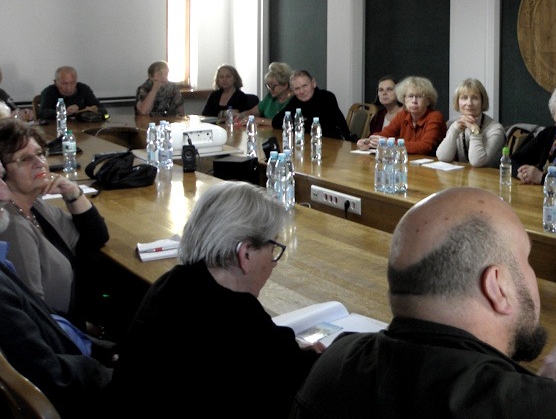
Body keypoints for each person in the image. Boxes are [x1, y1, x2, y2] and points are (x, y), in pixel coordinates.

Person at [291, 187, 556, 419]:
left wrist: (536, 389)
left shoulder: (331, 367)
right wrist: (548, 397)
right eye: (525, 259)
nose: (533, 275)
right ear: (497, 288)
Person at [112, 181, 320, 418]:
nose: (274, 263)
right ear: (245, 253)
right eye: (273, 249)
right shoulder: (239, 319)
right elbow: (302, 386)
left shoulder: (172, 282)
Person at [0, 164, 112, 418]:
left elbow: (95, 235)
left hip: (81, 356)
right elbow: (53, 377)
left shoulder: (36, 212)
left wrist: (105, 350)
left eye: (2, 178)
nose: (4, 193)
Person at [0, 118, 108, 318]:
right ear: (3, 173)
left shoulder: (35, 207)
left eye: (40, 153)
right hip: (57, 330)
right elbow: (34, 312)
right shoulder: (13, 226)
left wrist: (72, 192)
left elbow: (95, 237)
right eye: (25, 159)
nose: (40, 163)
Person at [357, 76, 446, 155]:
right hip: (406, 162)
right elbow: (385, 134)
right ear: (404, 100)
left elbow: (426, 146)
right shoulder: (403, 114)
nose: (414, 101)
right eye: (410, 96)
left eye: (419, 96)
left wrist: (389, 143)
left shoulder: (435, 117)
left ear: (428, 101)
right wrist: (368, 141)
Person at [436, 78, 506, 167]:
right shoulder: (454, 124)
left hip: (489, 175)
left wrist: (475, 131)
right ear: (458, 102)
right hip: (464, 174)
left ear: (482, 102)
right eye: (464, 98)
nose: (469, 103)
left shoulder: (496, 129)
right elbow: (443, 157)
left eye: (475, 98)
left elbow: (477, 162)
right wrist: (454, 131)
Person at [272, 70, 355, 141]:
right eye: (297, 88)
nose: (302, 91)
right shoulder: (295, 101)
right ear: (293, 90)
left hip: (331, 143)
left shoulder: (327, 97)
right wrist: (300, 122)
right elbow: (276, 122)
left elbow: (323, 128)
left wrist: (298, 123)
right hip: (306, 143)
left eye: (304, 86)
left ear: (313, 83)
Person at [38, 66, 106, 120]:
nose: (69, 88)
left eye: (72, 83)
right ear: (55, 82)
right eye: (64, 83)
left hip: (82, 128)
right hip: (57, 128)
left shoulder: (84, 89)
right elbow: (42, 113)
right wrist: (65, 112)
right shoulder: (48, 92)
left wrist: (96, 110)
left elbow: (103, 110)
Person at [239, 62, 293, 127]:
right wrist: (241, 115)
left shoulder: (294, 100)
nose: (270, 89)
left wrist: (260, 120)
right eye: (268, 85)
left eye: (273, 86)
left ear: (285, 85)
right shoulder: (270, 98)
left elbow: (283, 122)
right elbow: (252, 112)